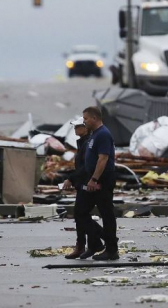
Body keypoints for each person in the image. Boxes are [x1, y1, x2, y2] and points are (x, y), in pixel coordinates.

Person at [75, 106, 119, 261]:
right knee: (80, 212)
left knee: (106, 213)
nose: (84, 121)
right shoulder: (94, 134)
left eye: (86, 118)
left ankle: (112, 250)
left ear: (94, 118)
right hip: (92, 178)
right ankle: (97, 243)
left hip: (102, 180)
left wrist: (94, 179)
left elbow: (103, 158)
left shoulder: (103, 135)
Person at [62, 117, 104, 259]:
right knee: (80, 215)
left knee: (80, 214)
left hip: (87, 184)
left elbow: (86, 167)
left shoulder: (87, 143)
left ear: (86, 128)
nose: (75, 129)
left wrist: (71, 178)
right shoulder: (83, 143)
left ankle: (101, 239)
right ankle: (91, 245)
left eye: (78, 127)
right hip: (82, 183)